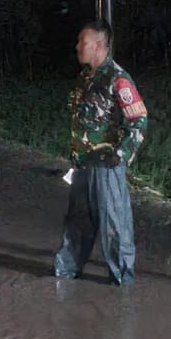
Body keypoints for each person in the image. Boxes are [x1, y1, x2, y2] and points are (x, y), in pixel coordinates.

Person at [53, 21, 149, 286]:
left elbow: (139, 120)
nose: (77, 47)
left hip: (106, 164)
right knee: (77, 220)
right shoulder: (85, 77)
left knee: (113, 223)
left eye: (82, 42)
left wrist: (121, 154)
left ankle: (122, 280)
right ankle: (66, 272)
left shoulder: (117, 78)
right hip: (82, 162)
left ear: (97, 45)